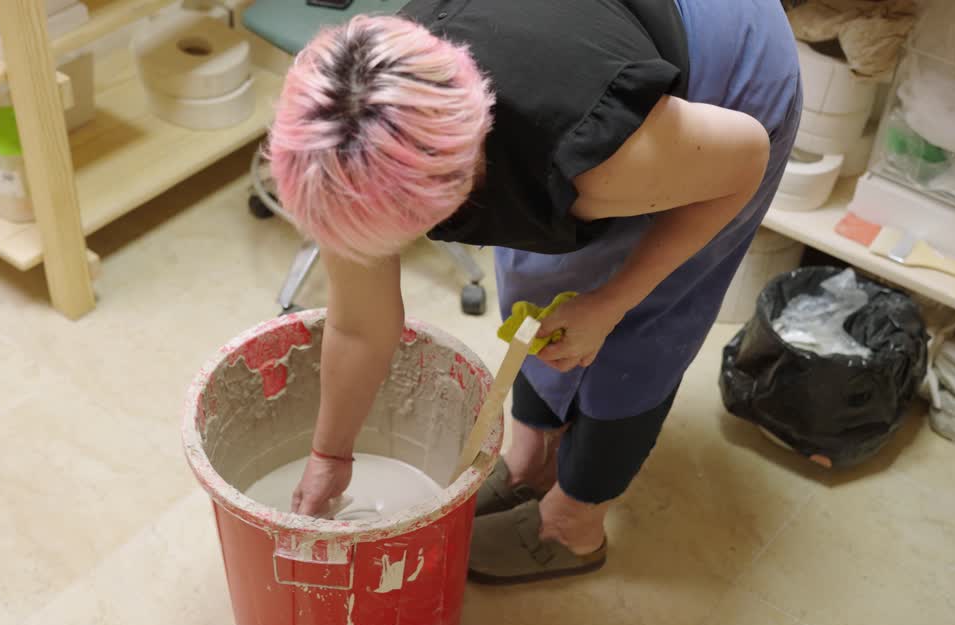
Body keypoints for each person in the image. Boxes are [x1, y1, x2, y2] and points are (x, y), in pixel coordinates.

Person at [266, 0, 801, 583]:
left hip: (730, 81)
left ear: (462, 185)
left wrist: (611, 301)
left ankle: (573, 525)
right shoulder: (362, 126)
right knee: (537, 286)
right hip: (581, 58)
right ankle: (531, 461)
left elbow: (745, 159)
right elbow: (359, 325)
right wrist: (330, 457)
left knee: (636, 329)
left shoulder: (588, 157)